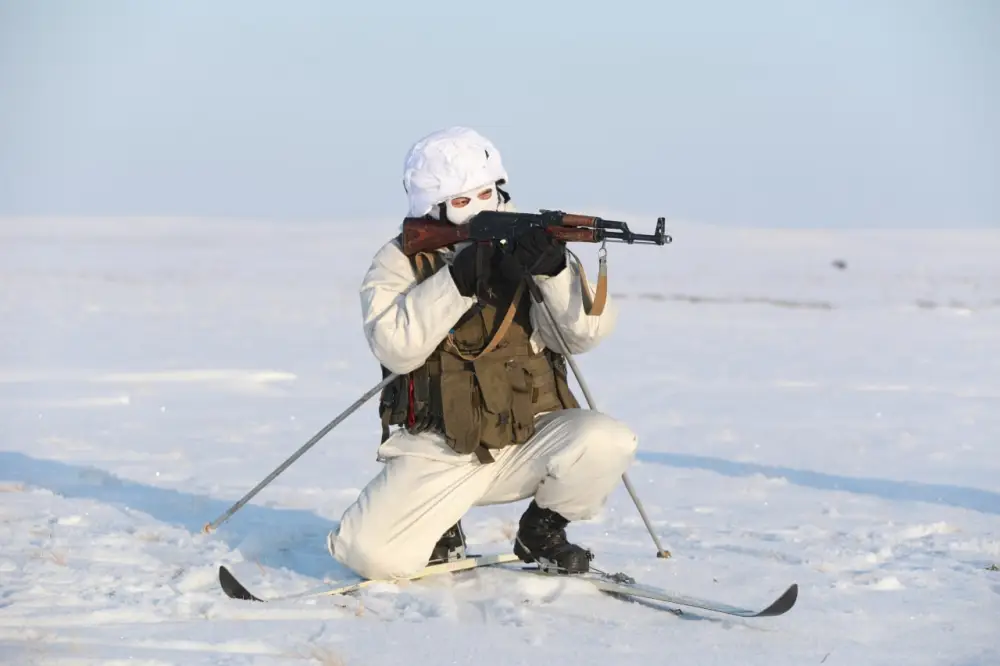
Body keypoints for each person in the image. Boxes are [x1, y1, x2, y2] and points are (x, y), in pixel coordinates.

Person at [326, 126, 638, 581]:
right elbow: (396, 349)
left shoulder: (533, 242)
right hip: (442, 448)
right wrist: (459, 281)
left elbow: (584, 335)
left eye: (488, 192)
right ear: (429, 207)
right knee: (370, 556)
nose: (480, 208)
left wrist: (552, 271)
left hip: (528, 435)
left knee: (608, 439)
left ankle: (542, 531)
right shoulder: (400, 262)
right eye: (461, 202)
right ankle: (440, 527)